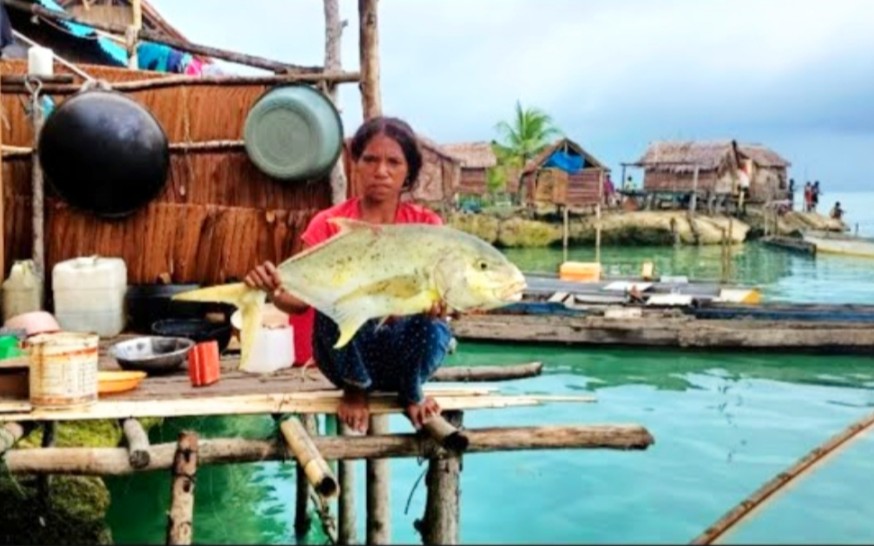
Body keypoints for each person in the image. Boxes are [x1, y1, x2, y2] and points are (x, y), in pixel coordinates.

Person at [244, 116, 453, 433]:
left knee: (433, 322)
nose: (380, 171)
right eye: (370, 159)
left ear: (408, 170)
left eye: (393, 162)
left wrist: (443, 305)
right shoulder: (328, 224)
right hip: (345, 360)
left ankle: (412, 394)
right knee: (333, 302)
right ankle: (355, 391)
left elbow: (450, 297)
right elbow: (300, 303)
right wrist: (272, 289)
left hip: (406, 358)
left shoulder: (426, 226)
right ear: (355, 163)